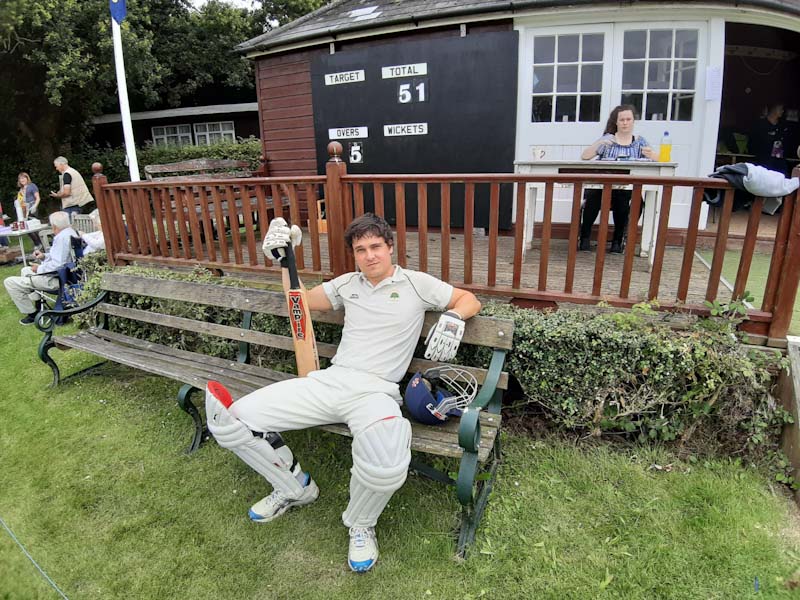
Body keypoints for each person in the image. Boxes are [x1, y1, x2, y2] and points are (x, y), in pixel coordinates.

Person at [204, 213, 481, 573]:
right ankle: (294, 488)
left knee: (386, 461)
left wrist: (455, 317)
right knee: (231, 420)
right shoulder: (347, 284)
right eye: (361, 249)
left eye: (376, 247)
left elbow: (468, 298)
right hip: (330, 382)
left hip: (376, 391)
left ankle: (361, 524)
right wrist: (284, 259)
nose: (370, 256)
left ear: (390, 248)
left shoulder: (415, 284)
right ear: (354, 254)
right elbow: (298, 302)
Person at [579, 105, 656, 253]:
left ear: (634, 121)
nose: (625, 123)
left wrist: (651, 155)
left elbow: (660, 160)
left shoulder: (640, 142)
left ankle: (618, 240)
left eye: (628, 119)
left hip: (626, 188)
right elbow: (585, 156)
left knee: (623, 198)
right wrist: (598, 144)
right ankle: (585, 238)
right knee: (592, 195)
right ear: (616, 122)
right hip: (603, 186)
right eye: (622, 120)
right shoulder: (608, 140)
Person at [3, 211, 77, 325]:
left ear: (54, 226)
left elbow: (58, 265)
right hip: (69, 276)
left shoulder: (61, 238)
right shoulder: (71, 233)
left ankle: (32, 314)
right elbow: (59, 258)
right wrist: (44, 257)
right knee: (25, 270)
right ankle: (38, 303)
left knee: (9, 282)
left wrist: (39, 269)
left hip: (59, 280)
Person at [749, 102, 791, 176]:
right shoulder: (760, 125)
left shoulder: (782, 126)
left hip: (779, 162)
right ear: (773, 109)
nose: (782, 111)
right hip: (763, 161)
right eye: (780, 108)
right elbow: (752, 144)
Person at [14, 172, 44, 249]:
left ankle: (41, 243)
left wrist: (35, 206)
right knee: (26, 228)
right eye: (20, 178)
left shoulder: (32, 186)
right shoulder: (21, 190)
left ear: (27, 178)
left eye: (24, 178)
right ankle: (37, 243)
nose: (22, 180)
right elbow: (20, 201)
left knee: (33, 227)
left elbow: (38, 198)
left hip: (32, 208)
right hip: (24, 210)